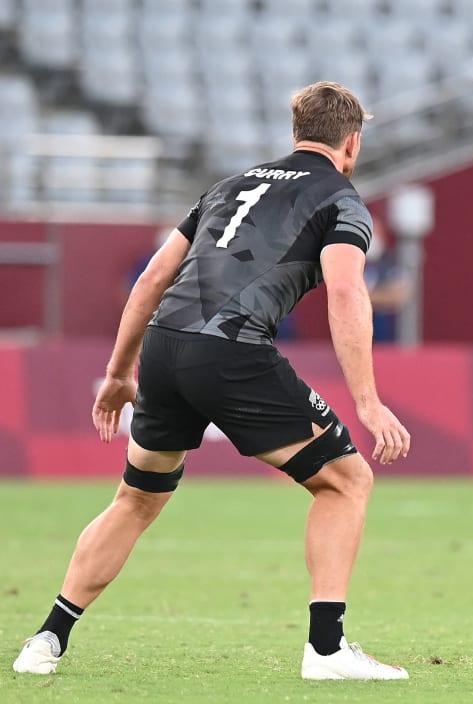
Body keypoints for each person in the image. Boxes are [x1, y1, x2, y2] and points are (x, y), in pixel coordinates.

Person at [13, 81, 412, 681]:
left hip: (165, 349)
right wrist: (369, 401)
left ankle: (46, 639)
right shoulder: (340, 198)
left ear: (297, 132)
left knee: (136, 497)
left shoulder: (230, 186)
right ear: (351, 143)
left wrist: (121, 371)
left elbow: (151, 280)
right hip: (231, 348)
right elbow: (348, 291)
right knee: (347, 480)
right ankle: (327, 651)